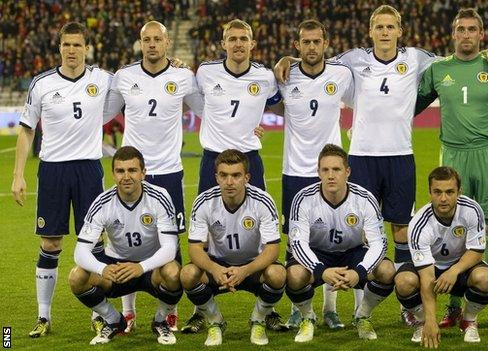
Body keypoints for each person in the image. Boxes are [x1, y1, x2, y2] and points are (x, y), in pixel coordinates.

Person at [274, 6, 488, 325]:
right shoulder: (354, 58)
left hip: (400, 157)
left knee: (401, 230)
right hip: (363, 156)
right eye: (379, 26)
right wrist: (290, 60)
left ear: (400, 30)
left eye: (390, 26)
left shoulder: (417, 58)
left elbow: (459, 58)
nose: (384, 32)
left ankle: (405, 307)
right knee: (356, 230)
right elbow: (317, 61)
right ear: (370, 31)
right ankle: (336, 305)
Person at [414, 8, 488, 328]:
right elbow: (407, 107)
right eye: (460, 29)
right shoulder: (438, 70)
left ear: (481, 34)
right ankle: (453, 306)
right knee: (452, 230)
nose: (466, 35)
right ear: (453, 34)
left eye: (472, 29)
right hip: (453, 157)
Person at [11, 22, 114, 337]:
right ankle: (44, 317)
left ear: (87, 47)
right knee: (51, 242)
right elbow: (27, 128)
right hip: (53, 170)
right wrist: (18, 175)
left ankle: (99, 313)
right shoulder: (42, 83)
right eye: (66, 45)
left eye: (77, 45)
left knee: (95, 243)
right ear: (59, 48)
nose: (72, 50)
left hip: (88, 169)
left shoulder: (103, 79)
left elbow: (138, 85)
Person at [106, 20, 204, 332]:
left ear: (166, 43)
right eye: (146, 39)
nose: (151, 44)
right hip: (131, 174)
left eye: (156, 39)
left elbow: (208, 111)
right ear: (140, 42)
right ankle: (129, 312)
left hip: (169, 173)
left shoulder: (183, 76)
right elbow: (104, 113)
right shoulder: (125, 76)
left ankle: (167, 311)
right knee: (124, 241)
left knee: (171, 245)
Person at [278, 19, 356, 330]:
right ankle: (301, 308)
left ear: (325, 44)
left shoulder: (341, 74)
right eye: (305, 42)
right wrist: (286, 62)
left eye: (316, 42)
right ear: (297, 46)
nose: (311, 47)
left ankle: (329, 308)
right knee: (296, 242)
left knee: (333, 240)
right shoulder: (285, 75)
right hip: (295, 172)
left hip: (331, 171)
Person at [68, 146, 182, 345]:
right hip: (118, 269)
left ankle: (160, 320)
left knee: (173, 273)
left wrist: (141, 267)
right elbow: (80, 252)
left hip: (152, 268)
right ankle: (113, 320)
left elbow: (170, 248)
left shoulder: (160, 197)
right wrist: (103, 268)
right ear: (113, 174)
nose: (126, 176)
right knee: (77, 277)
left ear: (143, 173)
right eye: (120, 171)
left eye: (132, 170)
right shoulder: (103, 202)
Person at [286, 144, 395, 342]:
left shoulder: (365, 199)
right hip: (317, 253)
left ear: (347, 171)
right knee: (293, 275)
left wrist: (359, 272)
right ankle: (308, 317)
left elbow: (379, 244)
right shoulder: (303, 199)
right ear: (318, 172)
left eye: (336, 169)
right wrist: (320, 270)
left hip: (352, 253)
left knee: (387, 270)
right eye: (325, 170)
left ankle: (362, 315)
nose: (330, 175)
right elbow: (298, 244)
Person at [180, 149, 286, 346]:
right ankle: (215, 322)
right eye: (224, 175)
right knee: (187, 274)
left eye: (236, 175)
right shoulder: (203, 202)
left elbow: (272, 249)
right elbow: (194, 248)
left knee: (278, 274)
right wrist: (214, 269)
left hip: (253, 266)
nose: (230, 182)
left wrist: (245, 271)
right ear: (216, 177)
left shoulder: (263, 201)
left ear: (246, 177)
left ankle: (258, 319)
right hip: (217, 267)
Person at [394, 166, 488, 347]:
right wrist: (431, 321)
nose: (443, 198)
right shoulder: (419, 224)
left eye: (449, 192)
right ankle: (421, 321)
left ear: (459, 192)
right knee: (404, 281)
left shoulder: (472, 210)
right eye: (437, 192)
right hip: (431, 268)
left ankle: (469, 320)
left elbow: (477, 251)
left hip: (461, 266)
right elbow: (426, 277)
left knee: (485, 278)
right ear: (430, 192)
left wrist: (454, 270)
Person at [195, 19, 281, 194]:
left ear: (252, 44)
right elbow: (186, 99)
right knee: (208, 217)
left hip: (248, 157)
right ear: (223, 44)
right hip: (213, 157)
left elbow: (282, 109)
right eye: (232, 39)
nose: (238, 44)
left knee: (257, 216)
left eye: (243, 39)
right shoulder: (205, 72)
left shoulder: (265, 77)